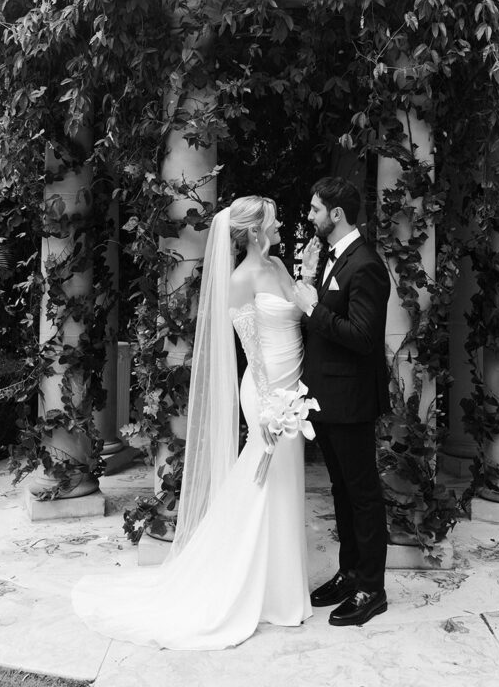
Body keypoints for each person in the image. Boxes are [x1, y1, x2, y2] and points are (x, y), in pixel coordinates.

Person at [72, 196, 312, 650]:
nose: (281, 224)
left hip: (294, 386)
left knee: (285, 482)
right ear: (256, 230)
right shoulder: (241, 280)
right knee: (264, 479)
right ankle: (247, 585)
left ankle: (281, 589)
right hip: (266, 391)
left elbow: (299, 313)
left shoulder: (281, 266)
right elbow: (251, 349)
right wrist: (266, 407)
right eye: (274, 220)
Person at [293, 176, 391, 628]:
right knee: (341, 490)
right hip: (325, 398)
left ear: (336, 214)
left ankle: (372, 588)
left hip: (351, 400)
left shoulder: (365, 264)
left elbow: (364, 337)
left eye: (315, 210)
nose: (310, 216)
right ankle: (350, 573)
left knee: (363, 495)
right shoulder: (335, 257)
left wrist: (314, 311)